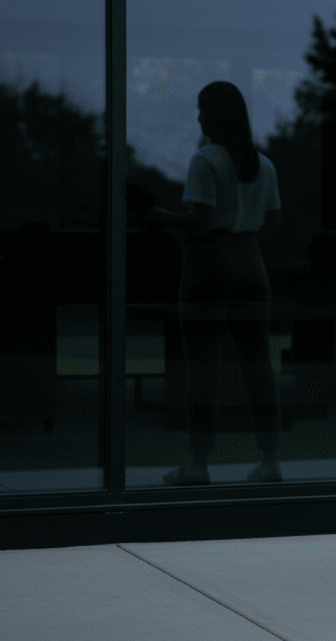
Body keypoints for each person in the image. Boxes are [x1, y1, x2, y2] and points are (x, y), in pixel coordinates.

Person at [144, 80, 284, 486]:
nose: (199, 116)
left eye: (203, 108)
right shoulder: (264, 165)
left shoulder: (205, 161)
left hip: (210, 264)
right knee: (259, 366)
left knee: (201, 368)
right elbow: (273, 224)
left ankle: (198, 463)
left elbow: (199, 223)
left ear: (217, 116)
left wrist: (155, 214)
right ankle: (270, 459)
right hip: (252, 262)